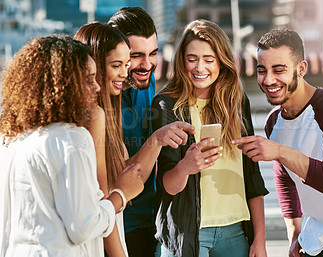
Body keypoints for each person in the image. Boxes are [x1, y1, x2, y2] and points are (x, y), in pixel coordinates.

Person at [232, 28, 323, 257]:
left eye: (279, 70)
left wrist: (281, 151)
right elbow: (284, 178)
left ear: (301, 69)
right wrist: (295, 232)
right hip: (314, 237)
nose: (268, 79)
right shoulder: (274, 122)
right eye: (262, 70)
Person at [0, 35, 144, 256]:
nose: (96, 87)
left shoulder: (10, 140)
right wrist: (121, 194)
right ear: (61, 84)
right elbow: (83, 226)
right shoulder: (71, 140)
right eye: (88, 79)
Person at [74, 22, 194, 257]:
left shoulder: (131, 93)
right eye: (118, 64)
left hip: (138, 227)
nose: (128, 71)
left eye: (126, 64)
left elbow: (125, 171)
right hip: (113, 235)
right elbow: (106, 201)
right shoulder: (95, 115)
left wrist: (158, 139)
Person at [151, 19, 269, 257]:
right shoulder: (166, 105)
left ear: (221, 62)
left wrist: (260, 239)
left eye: (208, 59)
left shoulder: (236, 102)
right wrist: (186, 167)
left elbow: (252, 175)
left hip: (236, 232)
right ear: (182, 60)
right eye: (192, 59)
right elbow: (167, 186)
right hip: (187, 233)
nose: (199, 68)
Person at [107, 7, 160, 256]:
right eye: (137, 55)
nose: (147, 65)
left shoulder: (148, 83)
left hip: (156, 223)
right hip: (119, 228)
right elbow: (116, 174)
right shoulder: (102, 102)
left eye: (153, 54)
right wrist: (157, 140)